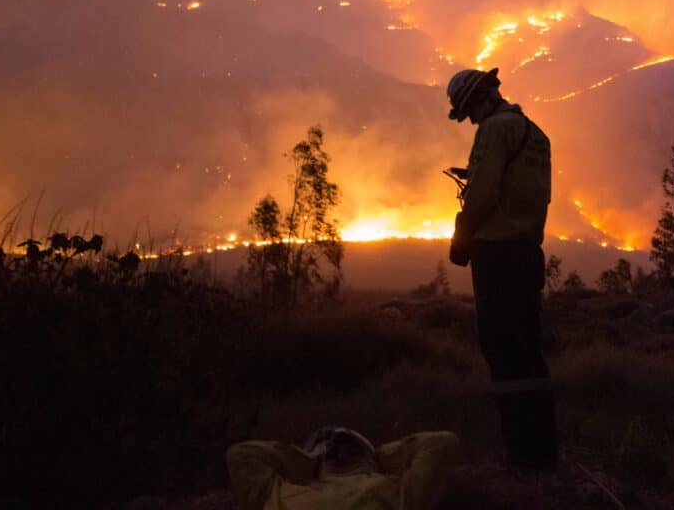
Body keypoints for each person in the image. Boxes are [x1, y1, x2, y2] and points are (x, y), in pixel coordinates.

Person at [444, 67, 557, 472]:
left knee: (500, 350)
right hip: (528, 254)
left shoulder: (493, 132)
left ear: (477, 102)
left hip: (496, 256)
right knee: (528, 350)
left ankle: (518, 453)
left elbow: (484, 193)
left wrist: (461, 238)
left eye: (468, 111)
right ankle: (543, 452)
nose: (471, 120)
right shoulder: (537, 134)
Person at [226, 426, 460, 510]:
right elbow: (241, 454)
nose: (339, 445)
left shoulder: (401, 493)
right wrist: (309, 463)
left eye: (351, 444)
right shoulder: (400, 496)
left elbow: (443, 443)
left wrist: (378, 458)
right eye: (330, 444)